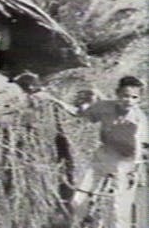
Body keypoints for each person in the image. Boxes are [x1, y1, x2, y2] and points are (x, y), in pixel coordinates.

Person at [36, 76, 148, 227]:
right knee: (79, 197)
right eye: (125, 96)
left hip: (126, 161)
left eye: (134, 97)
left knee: (119, 208)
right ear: (117, 94)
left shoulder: (138, 119)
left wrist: (135, 170)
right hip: (104, 154)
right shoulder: (104, 107)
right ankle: (75, 222)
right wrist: (53, 99)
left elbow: (141, 146)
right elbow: (79, 113)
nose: (128, 100)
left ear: (139, 99)